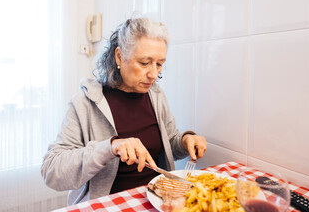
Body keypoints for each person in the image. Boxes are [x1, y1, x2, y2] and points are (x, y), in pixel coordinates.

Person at [41, 17, 207, 206]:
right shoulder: (85, 103)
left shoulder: (156, 95)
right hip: (107, 205)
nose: (153, 74)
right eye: (145, 63)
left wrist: (185, 140)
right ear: (119, 56)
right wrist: (110, 147)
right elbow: (51, 171)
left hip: (159, 202)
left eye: (159, 64)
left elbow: (168, 144)